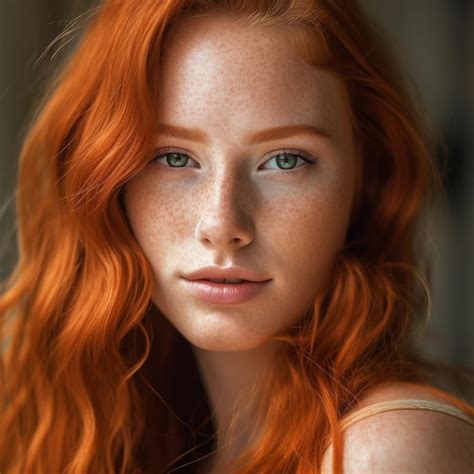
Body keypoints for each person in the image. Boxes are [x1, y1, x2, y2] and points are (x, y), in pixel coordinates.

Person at [0, 0, 473, 473]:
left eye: (285, 159)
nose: (222, 224)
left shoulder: (384, 451)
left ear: (367, 178)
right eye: (173, 157)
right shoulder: (149, 442)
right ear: (104, 182)